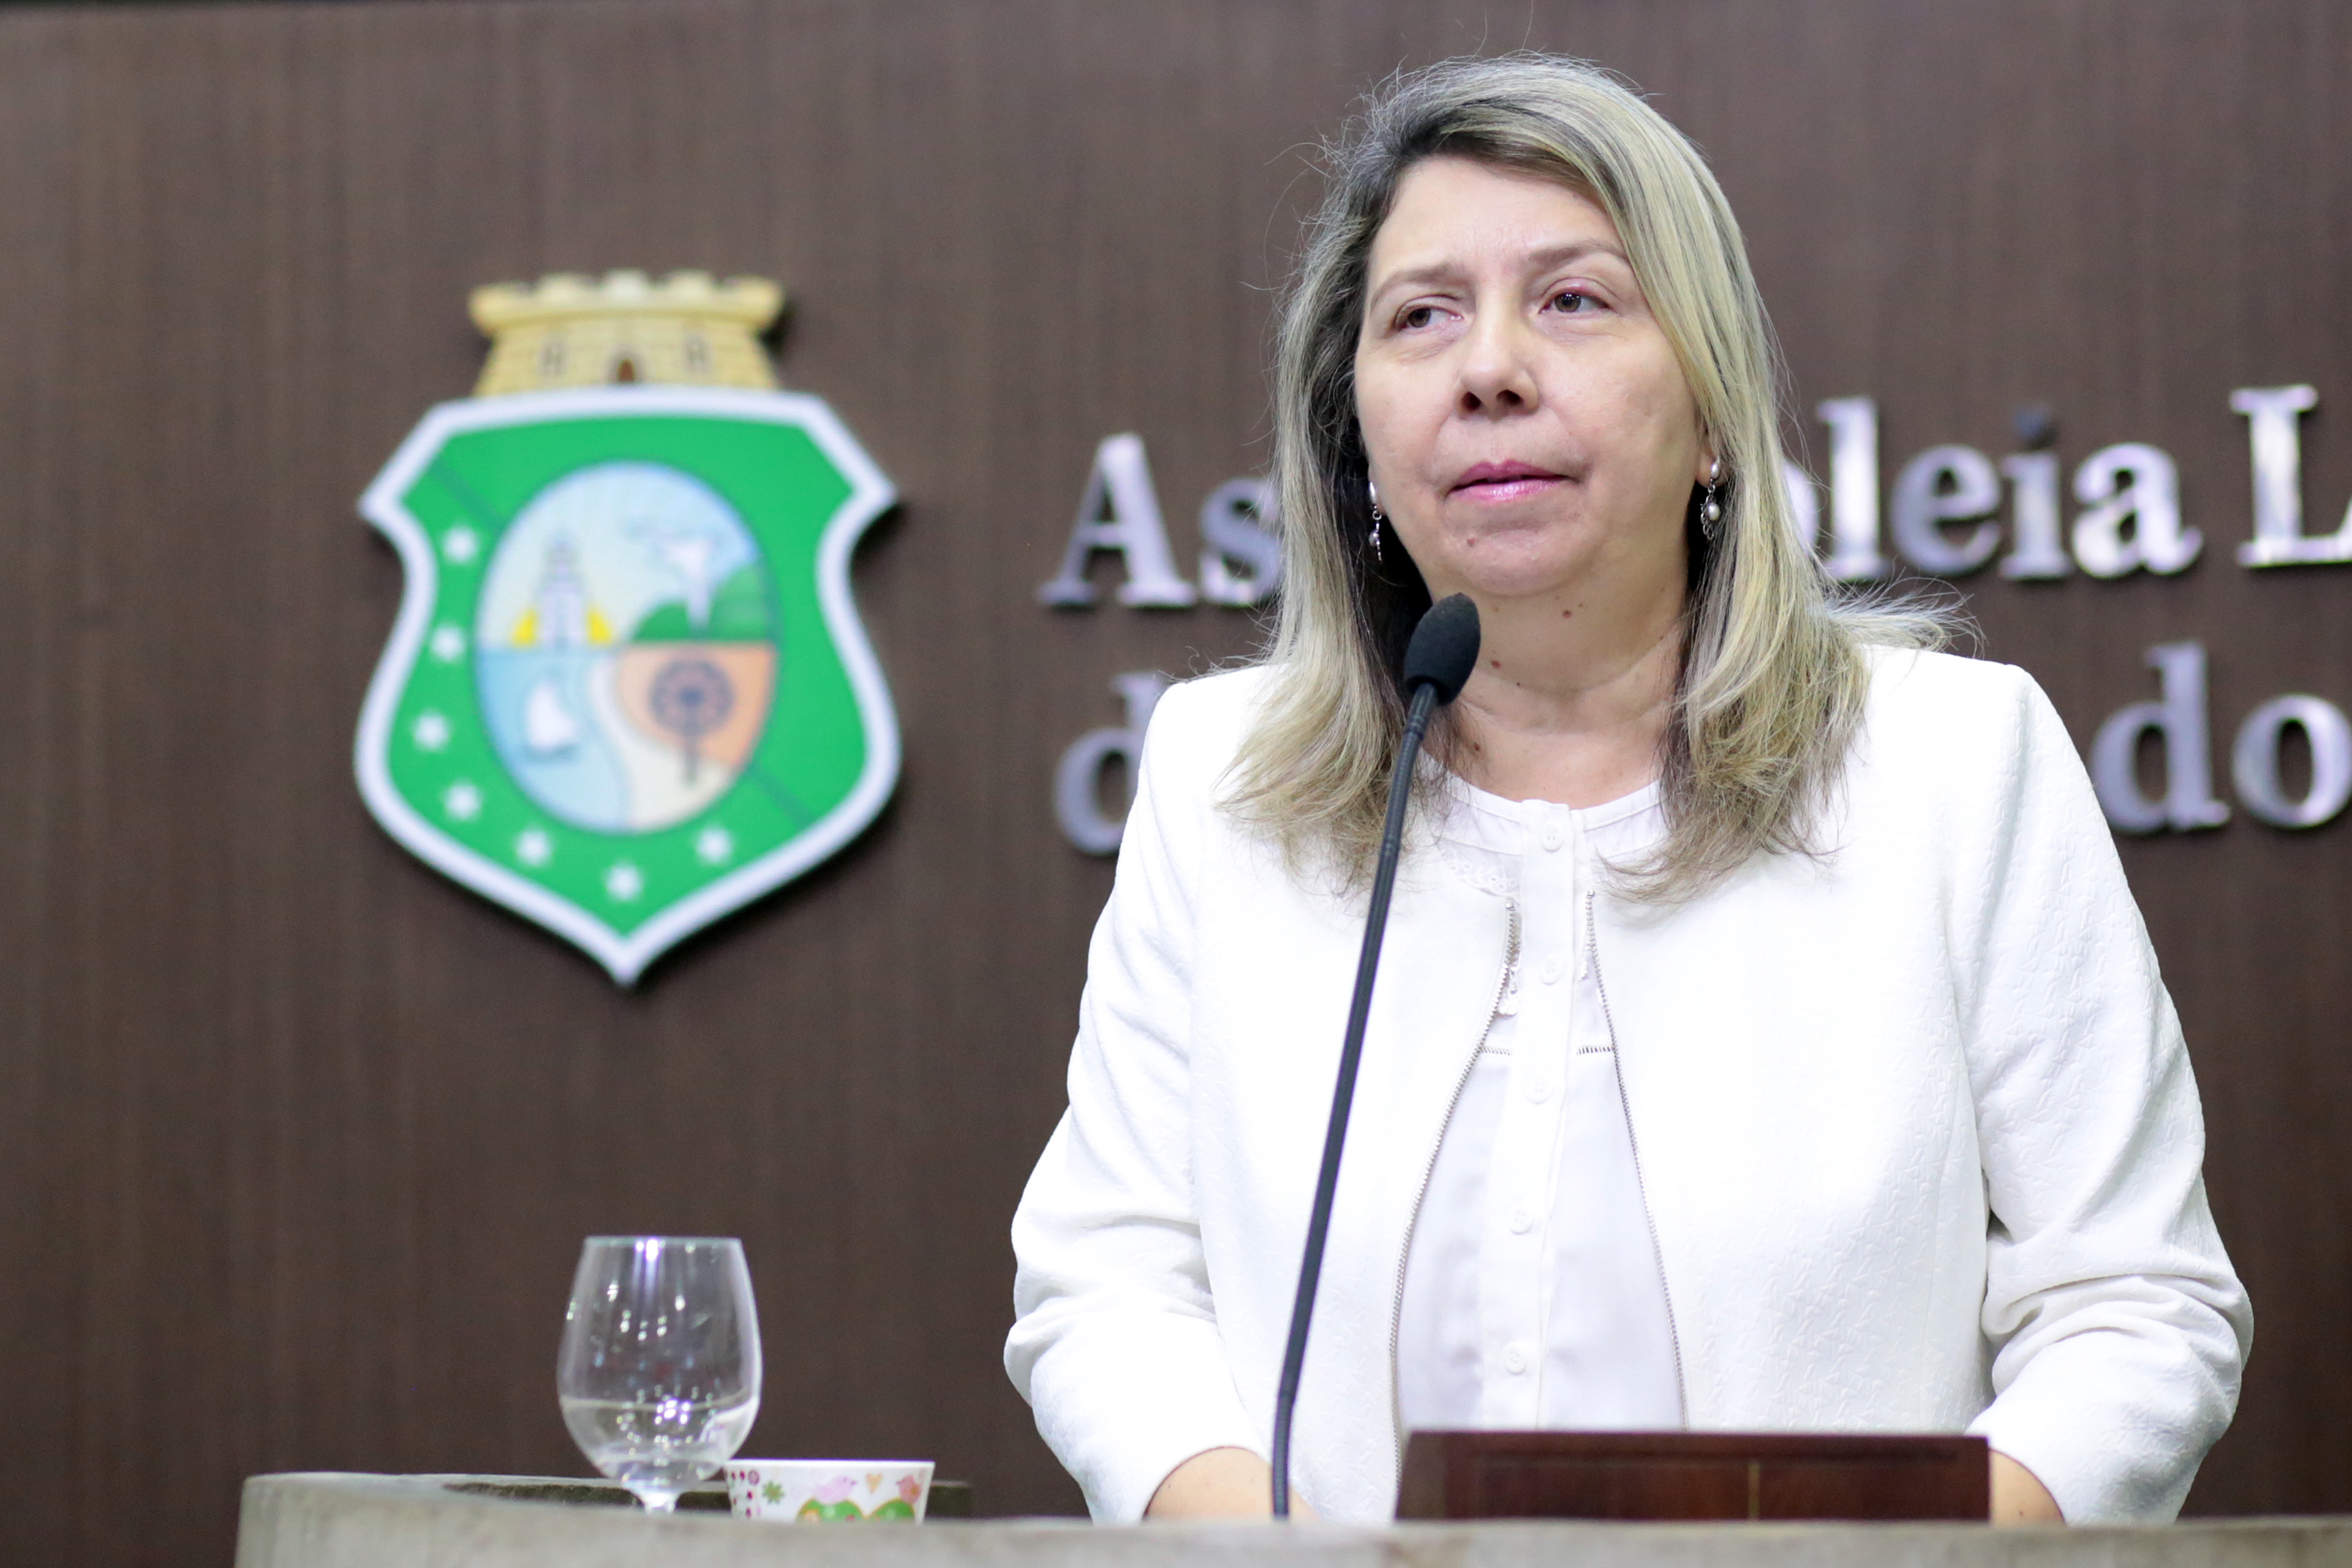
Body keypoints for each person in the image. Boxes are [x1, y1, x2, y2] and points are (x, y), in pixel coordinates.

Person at [1005, 53, 2250, 1528]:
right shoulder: (1221, 779)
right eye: (1423, 316)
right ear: (1356, 437)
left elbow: (2135, 1306)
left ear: (1713, 411)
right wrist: (1277, 1556)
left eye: (1575, 299)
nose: (1489, 368)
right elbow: (1111, 1285)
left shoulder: (1951, 763)